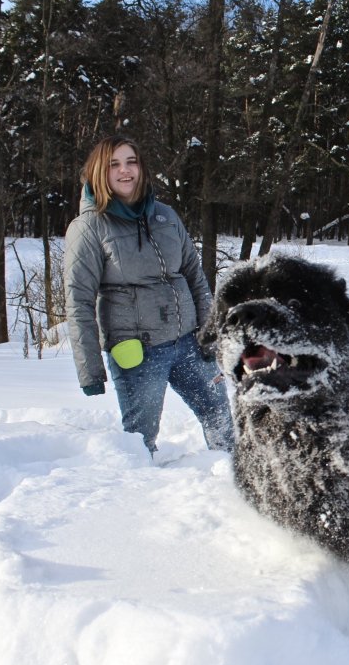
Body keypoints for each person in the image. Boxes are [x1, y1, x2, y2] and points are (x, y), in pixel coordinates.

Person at [64, 135, 234, 455]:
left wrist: (209, 332)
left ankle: (226, 484)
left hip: (189, 343)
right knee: (142, 439)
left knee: (220, 416)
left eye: (131, 162)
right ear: (100, 171)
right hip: (137, 352)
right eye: (114, 164)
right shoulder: (88, 227)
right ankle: (141, 497)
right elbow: (79, 302)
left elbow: (195, 276)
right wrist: (89, 370)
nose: (125, 171)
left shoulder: (165, 215)